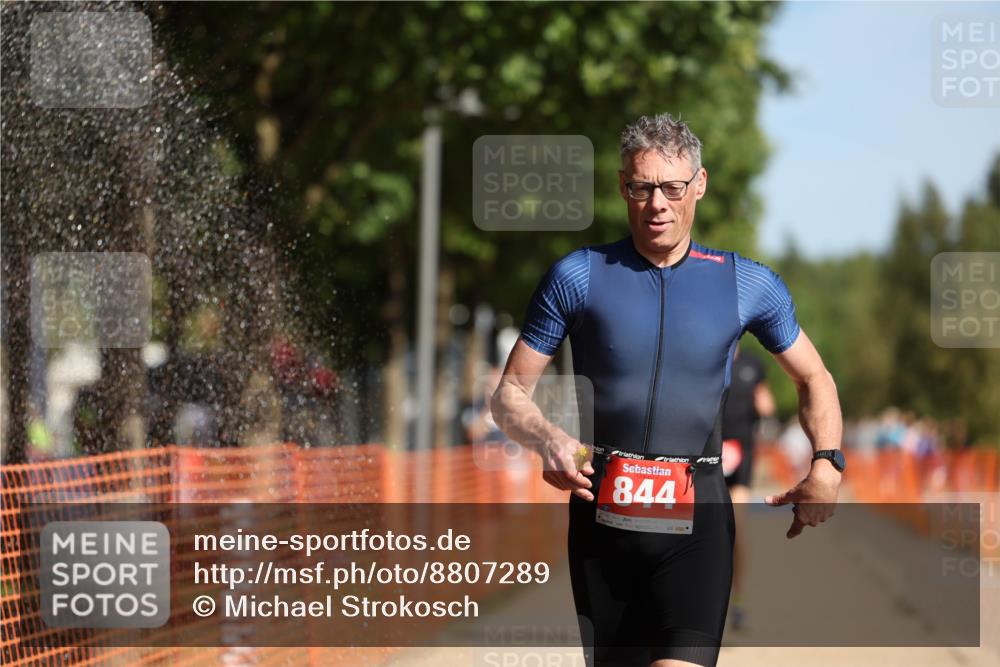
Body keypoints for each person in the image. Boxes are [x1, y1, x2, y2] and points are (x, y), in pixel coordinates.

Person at [490, 113, 844, 667]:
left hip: (698, 525)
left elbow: (814, 377)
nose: (657, 203)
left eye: (672, 188)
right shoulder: (578, 276)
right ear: (622, 186)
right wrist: (547, 438)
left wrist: (827, 463)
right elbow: (509, 393)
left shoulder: (745, 284)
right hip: (603, 527)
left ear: (699, 185)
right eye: (641, 187)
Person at [719, 347, 775, 631]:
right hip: (709, 452)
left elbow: (767, 405)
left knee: (737, 528)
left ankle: (738, 600)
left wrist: (763, 404)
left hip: (741, 455)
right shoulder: (711, 353)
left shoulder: (753, 364)